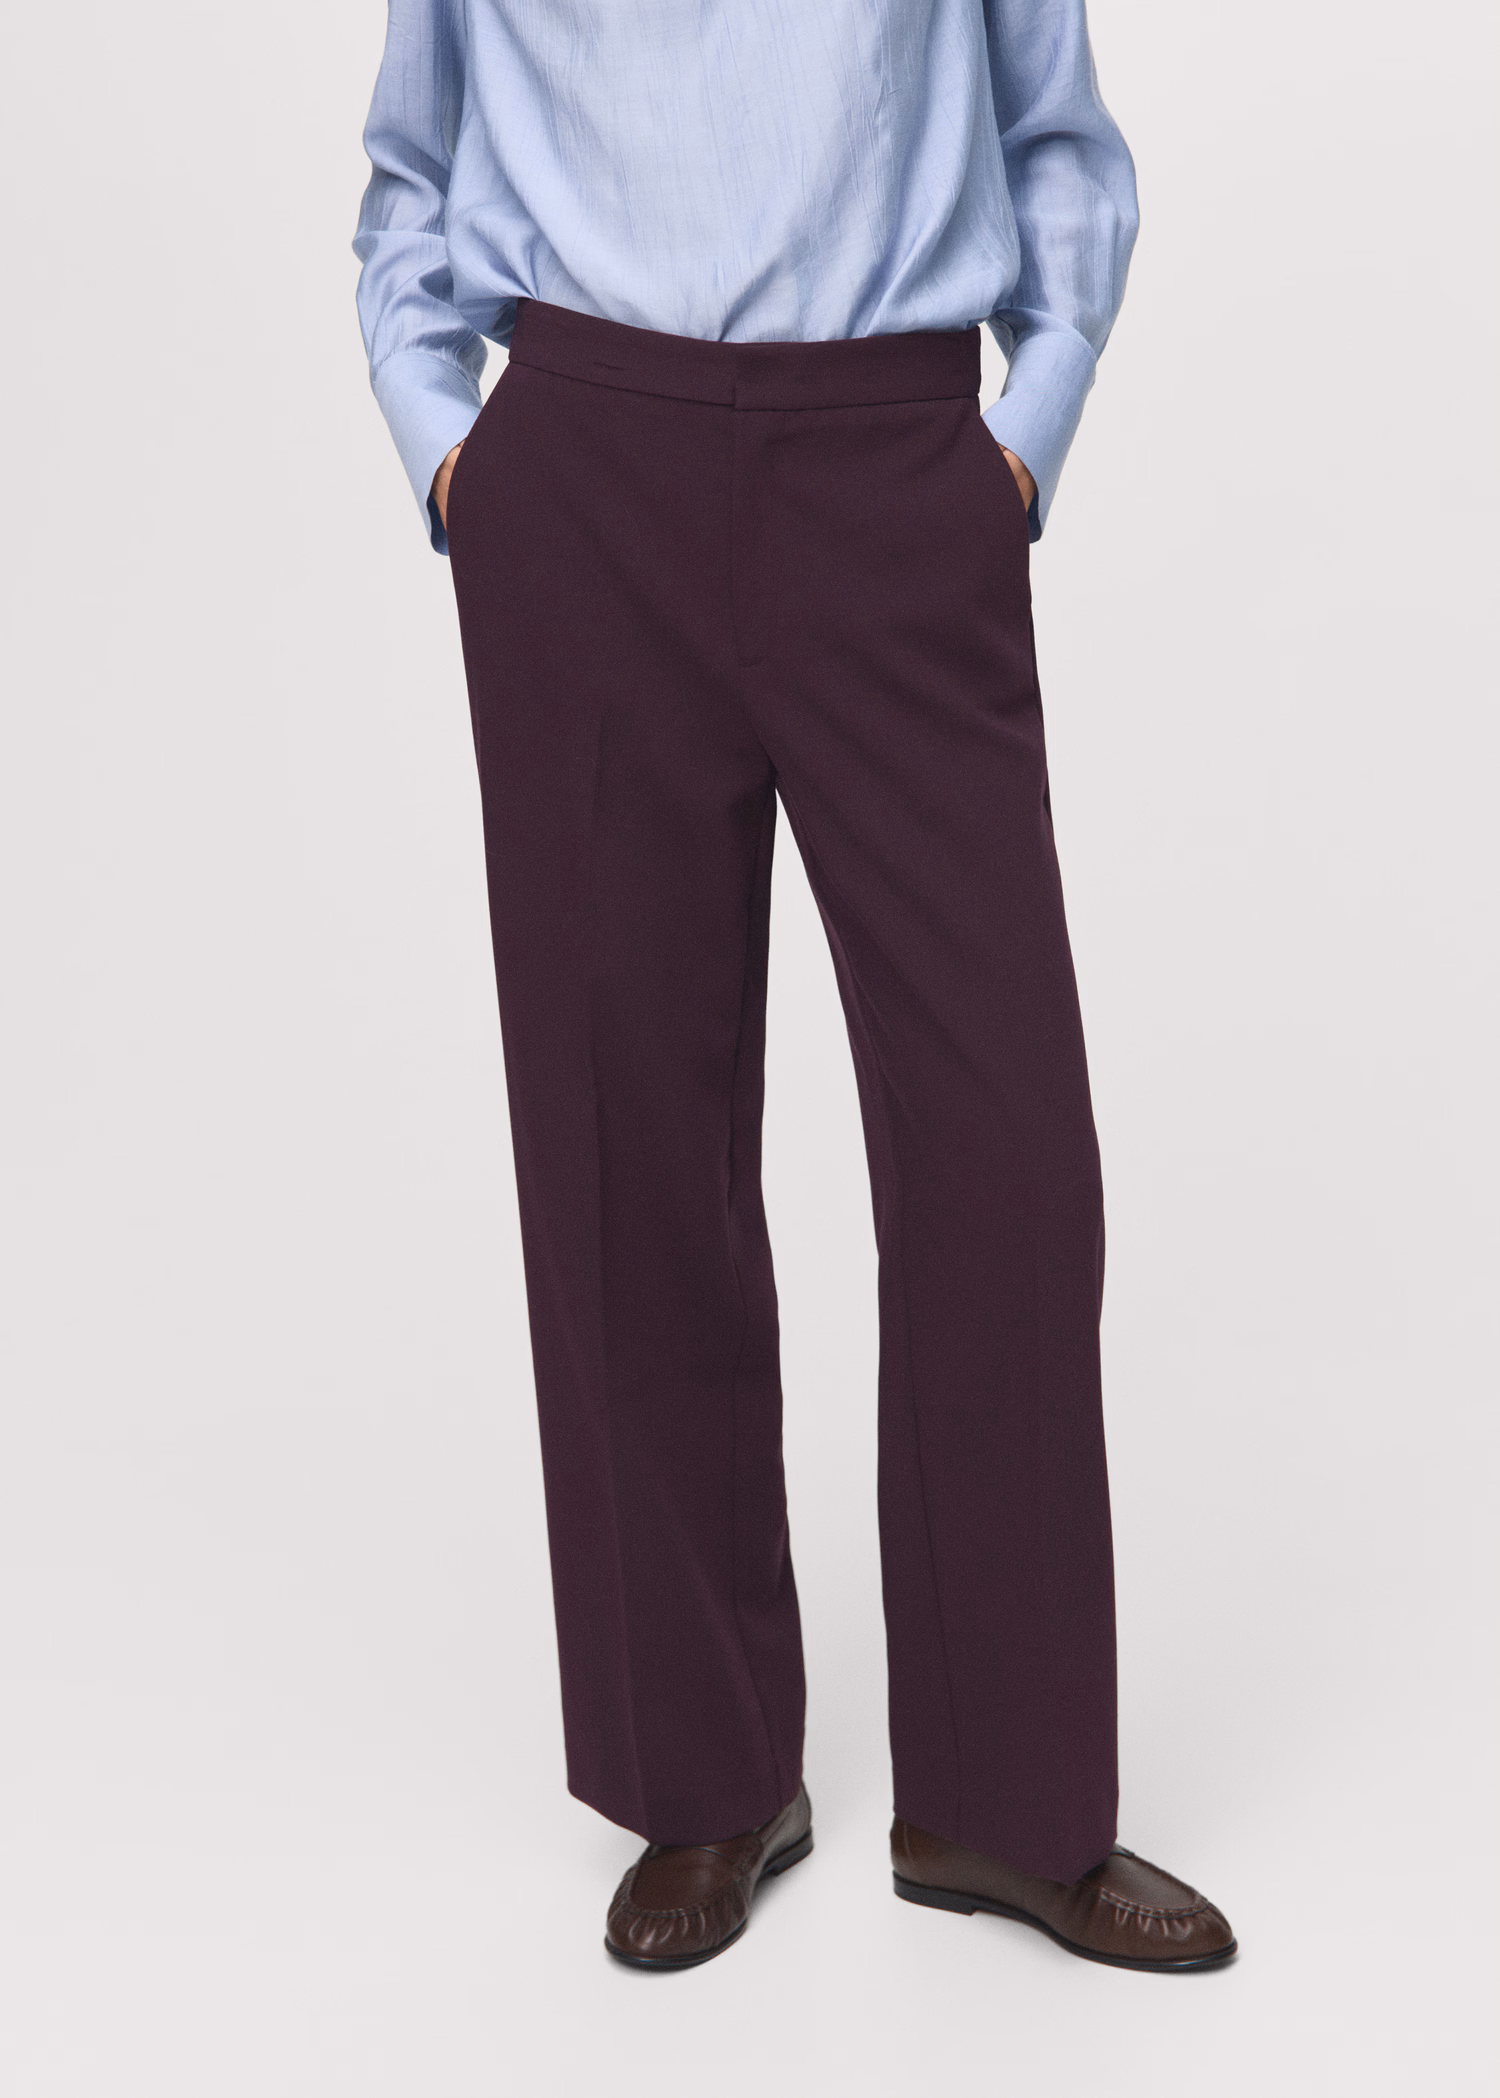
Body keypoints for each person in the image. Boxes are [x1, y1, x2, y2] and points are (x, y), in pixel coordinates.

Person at [353, 0, 1236, 1974]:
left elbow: (1059, 136)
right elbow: (410, 168)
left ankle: (1005, 1799)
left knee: (1007, 1152)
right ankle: (707, 1768)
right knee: (626, 1142)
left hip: (894, 467)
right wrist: (456, 454)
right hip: (583, 472)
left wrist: (1020, 437)